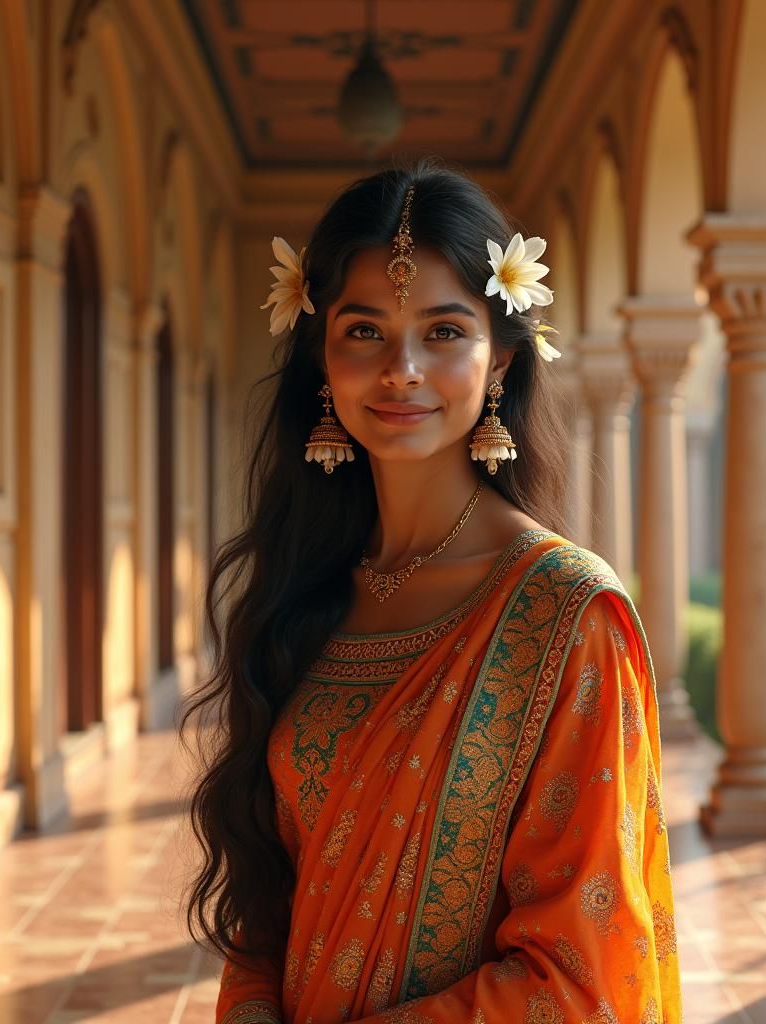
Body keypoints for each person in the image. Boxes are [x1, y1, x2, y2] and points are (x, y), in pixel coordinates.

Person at [182, 160, 682, 1024]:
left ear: (500, 363)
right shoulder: (307, 592)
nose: (401, 369)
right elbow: (276, 892)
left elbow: (581, 976)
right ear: (324, 362)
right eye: (365, 331)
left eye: (444, 332)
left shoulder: (565, 618)